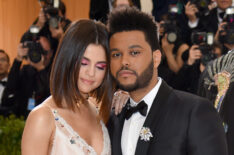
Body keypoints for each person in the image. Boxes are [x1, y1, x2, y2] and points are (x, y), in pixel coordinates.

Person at [107, 6, 228, 155]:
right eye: (116, 54)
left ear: (156, 58)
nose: (124, 61)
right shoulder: (111, 118)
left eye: (134, 52)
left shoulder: (194, 111)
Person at [21, 19, 112, 155]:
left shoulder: (99, 111)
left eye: (100, 66)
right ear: (68, 59)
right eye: (84, 63)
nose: (91, 73)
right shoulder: (42, 117)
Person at [3, 36, 54, 117]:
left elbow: (51, 94)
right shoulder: (26, 70)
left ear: (51, 53)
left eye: (45, 51)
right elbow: (10, 87)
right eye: (39, 50)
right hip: (22, 117)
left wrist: (41, 69)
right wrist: (18, 59)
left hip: (45, 118)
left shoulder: (54, 71)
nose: (44, 55)